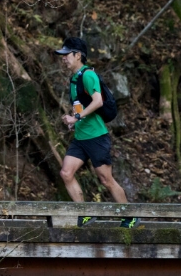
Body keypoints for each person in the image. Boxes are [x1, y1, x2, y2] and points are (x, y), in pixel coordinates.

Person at [53, 36, 137, 228]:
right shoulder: (74, 80)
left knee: (106, 180)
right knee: (66, 173)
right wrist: (73, 121)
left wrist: (76, 118)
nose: (63, 58)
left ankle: (129, 215)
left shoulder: (88, 75)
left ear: (77, 55)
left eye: (66, 55)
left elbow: (98, 101)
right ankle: (85, 214)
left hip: (97, 137)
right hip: (81, 137)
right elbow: (80, 106)